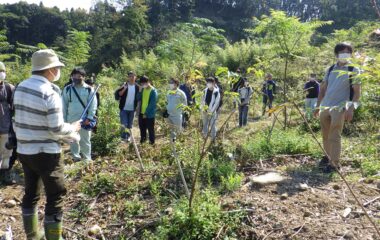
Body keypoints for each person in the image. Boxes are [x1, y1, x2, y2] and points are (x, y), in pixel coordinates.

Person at [13, 49, 81, 239]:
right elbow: (56, 128)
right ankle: (53, 237)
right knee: (56, 195)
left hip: (25, 151)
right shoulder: (49, 92)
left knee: (31, 194)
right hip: (46, 153)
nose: (58, 71)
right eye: (57, 67)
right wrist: (74, 130)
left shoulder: (20, 87)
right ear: (50, 69)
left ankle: (32, 236)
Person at [314, 42, 361, 173]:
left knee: (335, 134)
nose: (345, 55)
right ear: (336, 54)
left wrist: (351, 109)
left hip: (340, 107)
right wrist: (318, 106)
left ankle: (334, 164)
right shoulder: (330, 69)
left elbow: (357, 92)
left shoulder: (353, 69)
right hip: (326, 106)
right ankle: (327, 156)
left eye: (348, 52)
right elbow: (322, 89)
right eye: (342, 52)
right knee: (325, 134)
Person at [62, 67, 97, 162]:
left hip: (84, 120)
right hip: (71, 120)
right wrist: (64, 121)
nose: (77, 78)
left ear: (84, 77)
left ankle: (87, 160)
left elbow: (93, 105)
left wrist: (89, 118)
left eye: (80, 76)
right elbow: (63, 106)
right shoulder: (67, 89)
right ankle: (76, 157)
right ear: (72, 76)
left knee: (85, 141)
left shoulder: (89, 89)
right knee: (73, 140)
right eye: (75, 76)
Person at [0, 61, 15, 184]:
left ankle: (6, 174)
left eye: (2, 71)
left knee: (7, 153)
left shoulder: (9, 88)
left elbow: (14, 107)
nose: (1, 73)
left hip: (6, 127)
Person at [115, 71, 140, 142]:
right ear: (128, 77)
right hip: (124, 108)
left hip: (132, 109)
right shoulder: (124, 85)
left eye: (133, 76)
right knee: (123, 123)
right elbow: (119, 94)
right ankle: (123, 137)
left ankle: (128, 137)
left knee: (130, 124)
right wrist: (124, 89)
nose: (131, 78)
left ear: (135, 77)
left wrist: (138, 107)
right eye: (130, 76)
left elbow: (139, 98)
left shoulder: (137, 87)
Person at [138, 76, 157, 144]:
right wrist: (140, 91)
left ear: (148, 82)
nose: (143, 85)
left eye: (144, 83)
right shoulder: (143, 89)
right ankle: (143, 141)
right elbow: (138, 98)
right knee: (142, 128)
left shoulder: (153, 91)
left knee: (150, 129)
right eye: (142, 84)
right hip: (141, 112)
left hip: (149, 114)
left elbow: (152, 104)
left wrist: (146, 113)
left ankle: (152, 143)